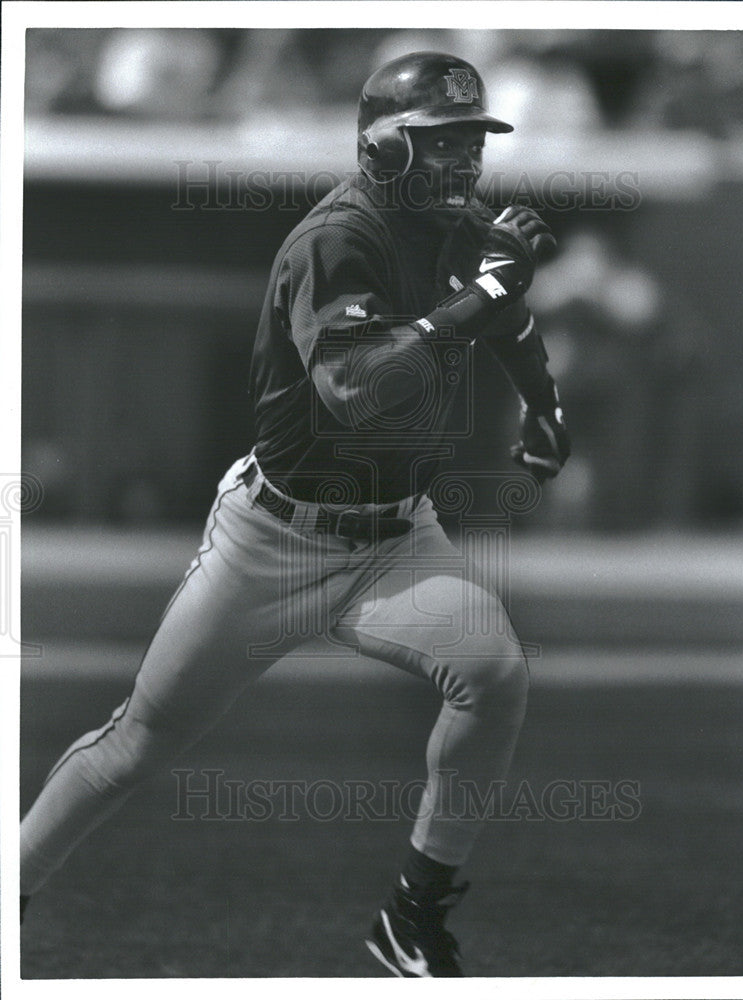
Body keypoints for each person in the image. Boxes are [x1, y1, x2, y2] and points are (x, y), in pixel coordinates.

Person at [20, 51, 570, 977]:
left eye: (471, 140)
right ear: (381, 145)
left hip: (397, 532)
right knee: (137, 746)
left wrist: (543, 403)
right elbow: (357, 391)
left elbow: (507, 315)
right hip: (276, 536)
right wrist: (478, 300)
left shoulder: (457, 226)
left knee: (495, 675)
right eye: (441, 141)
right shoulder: (335, 239)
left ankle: (412, 916)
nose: (463, 160)